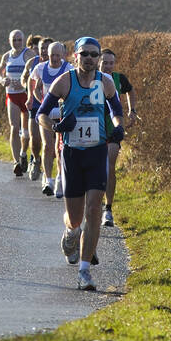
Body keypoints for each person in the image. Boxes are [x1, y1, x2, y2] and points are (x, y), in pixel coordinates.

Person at [37, 36, 124, 291]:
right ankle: (71, 233)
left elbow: (117, 112)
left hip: (96, 152)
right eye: (84, 53)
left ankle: (84, 271)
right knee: (75, 218)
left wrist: (118, 128)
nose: (89, 58)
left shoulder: (105, 82)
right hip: (72, 154)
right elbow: (40, 113)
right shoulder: (64, 81)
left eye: (94, 54)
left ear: (99, 58)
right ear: (75, 56)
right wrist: (55, 126)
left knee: (94, 209)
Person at [98, 48, 137, 227]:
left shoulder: (119, 79)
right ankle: (93, 204)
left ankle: (108, 209)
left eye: (110, 63)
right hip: (93, 129)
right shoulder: (90, 78)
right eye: (104, 62)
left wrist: (132, 110)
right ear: (99, 62)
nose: (107, 66)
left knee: (109, 167)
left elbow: (130, 90)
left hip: (112, 129)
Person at [31, 40, 71, 196]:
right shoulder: (40, 68)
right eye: (51, 55)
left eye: (57, 55)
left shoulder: (68, 69)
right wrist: (39, 98)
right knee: (47, 145)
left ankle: (60, 178)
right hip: (46, 113)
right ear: (47, 55)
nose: (54, 58)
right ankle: (48, 180)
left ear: (62, 55)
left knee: (59, 147)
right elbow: (33, 86)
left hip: (61, 112)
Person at [0, 29, 36, 176]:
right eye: (14, 40)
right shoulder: (7, 56)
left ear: (23, 41)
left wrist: (24, 84)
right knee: (14, 126)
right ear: (9, 41)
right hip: (11, 95)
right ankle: (16, 162)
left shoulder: (29, 54)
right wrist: (2, 80)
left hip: (26, 95)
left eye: (19, 40)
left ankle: (24, 154)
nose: (17, 43)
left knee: (26, 132)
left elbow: (36, 72)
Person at [22, 36, 53, 180]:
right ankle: (36, 159)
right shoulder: (32, 63)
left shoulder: (60, 65)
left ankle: (49, 171)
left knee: (50, 141)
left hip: (53, 107)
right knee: (34, 137)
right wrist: (30, 94)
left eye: (48, 48)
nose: (45, 51)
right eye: (42, 48)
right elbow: (25, 79)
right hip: (35, 104)